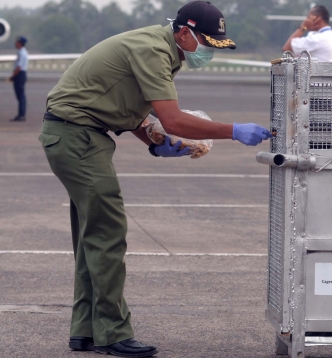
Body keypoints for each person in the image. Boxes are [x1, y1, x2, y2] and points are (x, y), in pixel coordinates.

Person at [39, 1, 271, 357]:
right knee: (107, 235)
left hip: (78, 136)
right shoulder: (152, 50)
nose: (208, 51)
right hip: (78, 136)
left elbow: (128, 106)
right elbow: (173, 120)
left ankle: (86, 330)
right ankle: (113, 334)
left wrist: (154, 144)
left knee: (93, 235)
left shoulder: (161, 49)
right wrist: (234, 130)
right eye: (205, 43)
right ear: (183, 33)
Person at [9, 36, 28, 122]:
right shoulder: (21, 52)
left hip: (20, 75)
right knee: (20, 96)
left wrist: (13, 76)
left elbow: (19, 67)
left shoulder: (22, 53)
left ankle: (21, 115)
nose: (15, 43)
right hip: (20, 74)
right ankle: (20, 115)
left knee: (21, 96)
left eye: (16, 42)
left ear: (20, 43)